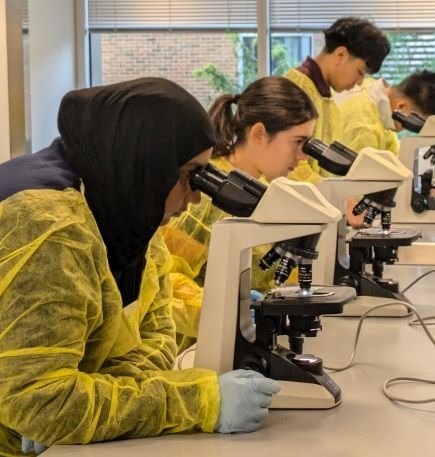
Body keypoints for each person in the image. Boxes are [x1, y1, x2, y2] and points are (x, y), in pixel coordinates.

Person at [0, 77, 280, 456]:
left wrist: (89, 407)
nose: (197, 198)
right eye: (188, 176)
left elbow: (158, 334)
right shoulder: (50, 226)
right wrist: (197, 401)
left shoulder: (129, 211)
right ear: (145, 163)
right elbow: (41, 401)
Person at [161, 76, 317, 347]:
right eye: (298, 142)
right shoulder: (205, 197)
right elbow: (165, 282)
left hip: (247, 341)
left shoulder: (265, 189)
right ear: (259, 134)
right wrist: (227, 310)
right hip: (198, 350)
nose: (305, 156)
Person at [335, 71, 435, 227]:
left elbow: (395, 163)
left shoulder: (380, 105)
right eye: (415, 126)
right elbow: (355, 193)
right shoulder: (364, 125)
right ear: (401, 107)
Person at [285, 16, 390, 183]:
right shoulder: (297, 89)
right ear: (340, 54)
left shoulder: (325, 97)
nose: (360, 83)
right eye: (360, 72)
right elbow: (291, 167)